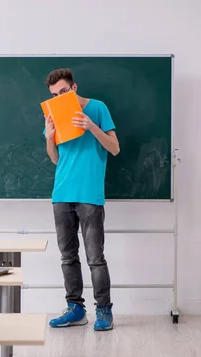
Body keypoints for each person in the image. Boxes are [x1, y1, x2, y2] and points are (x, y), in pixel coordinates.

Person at [43, 68, 120, 331]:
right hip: (62, 193)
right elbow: (55, 158)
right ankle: (75, 308)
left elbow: (114, 147)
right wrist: (48, 137)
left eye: (63, 92)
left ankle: (104, 311)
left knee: (95, 257)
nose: (59, 97)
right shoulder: (54, 113)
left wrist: (91, 126)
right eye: (54, 95)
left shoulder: (97, 108)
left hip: (89, 194)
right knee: (67, 257)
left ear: (73, 88)